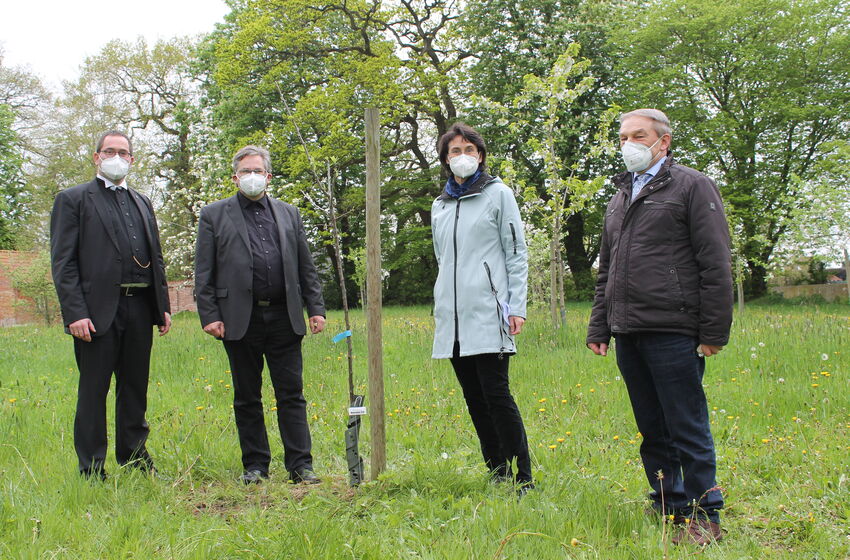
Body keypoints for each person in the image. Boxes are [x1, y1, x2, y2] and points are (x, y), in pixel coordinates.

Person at [586, 109, 733, 545]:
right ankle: (669, 503)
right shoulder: (620, 195)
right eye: (623, 137)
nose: (628, 144)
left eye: (639, 136)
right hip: (628, 331)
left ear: (663, 141)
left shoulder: (692, 186)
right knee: (651, 427)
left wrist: (713, 331)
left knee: (686, 424)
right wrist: (599, 327)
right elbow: (607, 269)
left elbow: (715, 262)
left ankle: (705, 514)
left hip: (674, 328)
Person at [194, 145, 326, 485]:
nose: (251, 177)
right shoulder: (213, 215)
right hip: (239, 319)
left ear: (268, 177)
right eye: (245, 171)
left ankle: (301, 465)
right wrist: (209, 315)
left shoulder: (289, 213)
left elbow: (306, 265)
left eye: (257, 171)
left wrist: (316, 308)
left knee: (291, 394)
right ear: (235, 177)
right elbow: (204, 271)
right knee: (247, 397)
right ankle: (255, 466)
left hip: (285, 316)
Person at [50, 130, 172, 479]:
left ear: (132, 159)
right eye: (109, 151)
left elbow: (156, 258)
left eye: (123, 152)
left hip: (140, 308)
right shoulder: (73, 200)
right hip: (96, 313)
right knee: (94, 390)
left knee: (134, 388)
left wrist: (162, 304)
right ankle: (91, 469)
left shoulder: (142, 202)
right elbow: (63, 263)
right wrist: (75, 312)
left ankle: (134, 459)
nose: (116, 157)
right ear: (97, 157)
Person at [431, 123, 533, 494]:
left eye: (469, 149)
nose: (463, 156)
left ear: (481, 155)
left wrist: (516, 306)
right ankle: (497, 469)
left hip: (490, 311)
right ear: (446, 159)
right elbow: (442, 258)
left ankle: (523, 475)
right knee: (473, 398)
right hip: (453, 317)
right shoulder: (440, 205)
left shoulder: (498, 194)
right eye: (455, 151)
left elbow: (516, 253)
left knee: (496, 395)